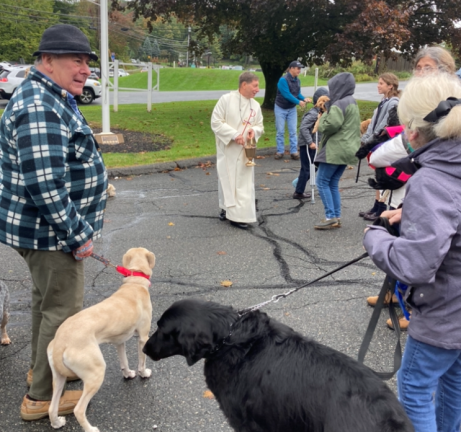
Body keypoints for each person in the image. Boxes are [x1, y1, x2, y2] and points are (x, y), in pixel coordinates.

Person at [0, 24, 107, 420]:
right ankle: (40, 398)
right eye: (75, 60)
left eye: (86, 62)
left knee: (47, 306)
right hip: (51, 232)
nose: (84, 69)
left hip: (44, 230)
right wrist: (78, 234)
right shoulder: (40, 105)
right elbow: (45, 185)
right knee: (62, 311)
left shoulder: (50, 95)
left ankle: (39, 371)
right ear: (47, 60)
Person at [363, 72, 461, 432]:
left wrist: (375, 237)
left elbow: (415, 265)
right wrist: (413, 215)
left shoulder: (431, 181)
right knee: (455, 385)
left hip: (444, 315)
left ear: (414, 133)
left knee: (415, 388)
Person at [211, 72, 264, 230]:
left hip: (246, 150)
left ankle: (238, 216)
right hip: (229, 149)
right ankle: (226, 209)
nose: (258, 89)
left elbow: (259, 125)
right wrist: (234, 135)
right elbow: (216, 122)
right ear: (244, 85)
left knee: (243, 184)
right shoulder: (226, 100)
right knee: (227, 181)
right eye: (255, 86)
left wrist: (253, 131)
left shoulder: (255, 106)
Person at [313, 72, 361, 230]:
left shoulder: (338, 104)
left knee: (321, 181)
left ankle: (330, 216)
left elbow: (329, 126)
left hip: (336, 149)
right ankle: (336, 215)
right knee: (332, 183)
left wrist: (323, 116)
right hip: (348, 149)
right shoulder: (352, 101)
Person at [356, 73, 401, 221]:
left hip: (383, 142)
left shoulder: (393, 103)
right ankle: (377, 206)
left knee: (382, 176)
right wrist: (366, 138)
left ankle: (381, 209)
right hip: (375, 141)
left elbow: (383, 125)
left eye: (381, 83)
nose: (378, 85)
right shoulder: (384, 101)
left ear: (390, 86)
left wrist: (371, 140)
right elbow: (373, 122)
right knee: (377, 175)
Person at [293, 87, 329, 199]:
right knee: (307, 168)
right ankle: (298, 191)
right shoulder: (313, 114)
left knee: (314, 166)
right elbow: (303, 128)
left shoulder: (320, 114)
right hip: (307, 145)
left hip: (314, 144)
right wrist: (310, 142)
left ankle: (299, 183)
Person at [274, 61, 311, 160]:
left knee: (293, 131)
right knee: (280, 131)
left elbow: (297, 93)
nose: (299, 70)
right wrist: (298, 102)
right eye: (297, 68)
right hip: (280, 107)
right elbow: (286, 94)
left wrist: (303, 99)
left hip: (291, 108)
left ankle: (294, 151)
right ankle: (280, 151)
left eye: (300, 68)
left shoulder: (297, 80)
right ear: (291, 68)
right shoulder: (283, 80)